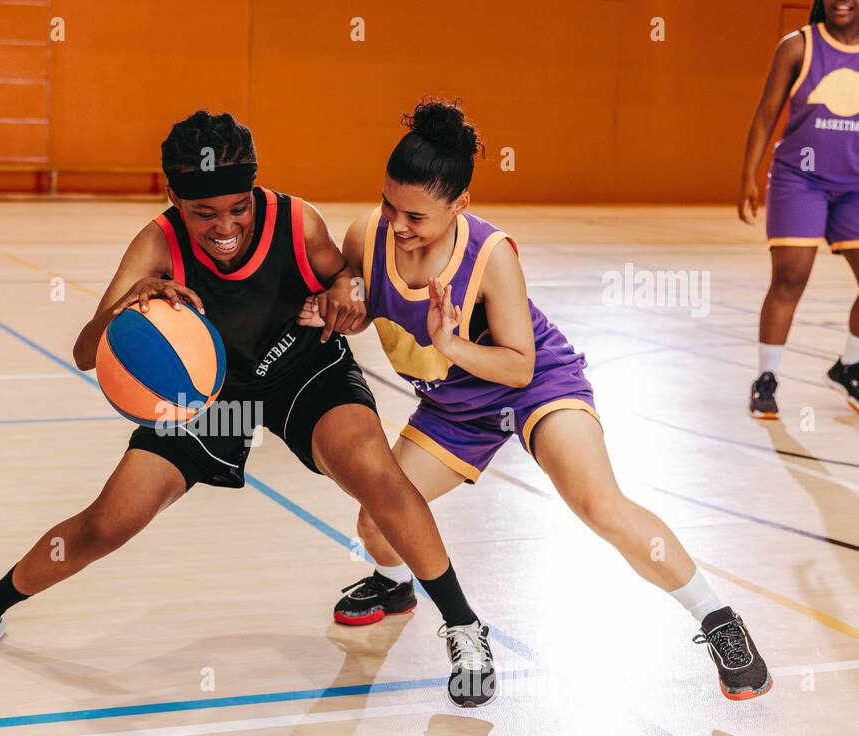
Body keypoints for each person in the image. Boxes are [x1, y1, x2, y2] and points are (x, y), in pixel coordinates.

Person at [0, 110, 499, 708]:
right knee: (110, 521)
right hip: (209, 399)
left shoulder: (294, 220)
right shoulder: (157, 243)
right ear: (173, 197)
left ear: (255, 192)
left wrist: (346, 292)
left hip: (302, 372)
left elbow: (348, 278)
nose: (225, 226)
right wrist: (129, 302)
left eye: (238, 207)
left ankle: (464, 626)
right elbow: (84, 352)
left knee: (378, 478)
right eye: (204, 213)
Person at [306, 99, 771, 701]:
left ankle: (718, 620)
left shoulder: (491, 255)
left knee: (599, 505)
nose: (397, 223)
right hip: (453, 406)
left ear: (459, 206)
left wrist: (449, 341)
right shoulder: (366, 234)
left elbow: (519, 366)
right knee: (376, 521)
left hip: (534, 386)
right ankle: (394, 584)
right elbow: (364, 302)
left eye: (416, 215)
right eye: (390, 204)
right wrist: (338, 304)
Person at [738, 0, 859, 418]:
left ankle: (849, 366)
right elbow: (766, 113)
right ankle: (766, 379)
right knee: (790, 278)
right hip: (800, 180)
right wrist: (748, 175)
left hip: (855, 185)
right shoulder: (798, 46)